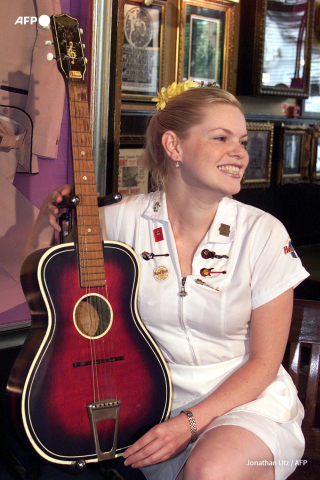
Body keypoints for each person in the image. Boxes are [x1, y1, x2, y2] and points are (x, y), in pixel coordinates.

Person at [25, 81, 309, 480]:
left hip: (245, 403)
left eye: (242, 141)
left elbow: (265, 362)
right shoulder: (116, 221)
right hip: (147, 404)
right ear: (174, 147)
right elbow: (48, 292)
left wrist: (188, 425)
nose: (240, 153)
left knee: (210, 471)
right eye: (221, 138)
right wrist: (44, 223)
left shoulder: (263, 232)